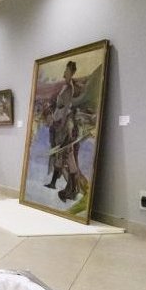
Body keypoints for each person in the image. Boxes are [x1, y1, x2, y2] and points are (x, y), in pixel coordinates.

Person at [44, 61, 87, 202]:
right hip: (61, 126)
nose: (64, 73)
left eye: (67, 71)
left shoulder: (69, 89)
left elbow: (66, 108)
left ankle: (73, 191)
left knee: (68, 158)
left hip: (66, 127)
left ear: (71, 72)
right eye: (65, 71)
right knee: (61, 157)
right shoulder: (65, 87)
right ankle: (55, 183)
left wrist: (61, 126)